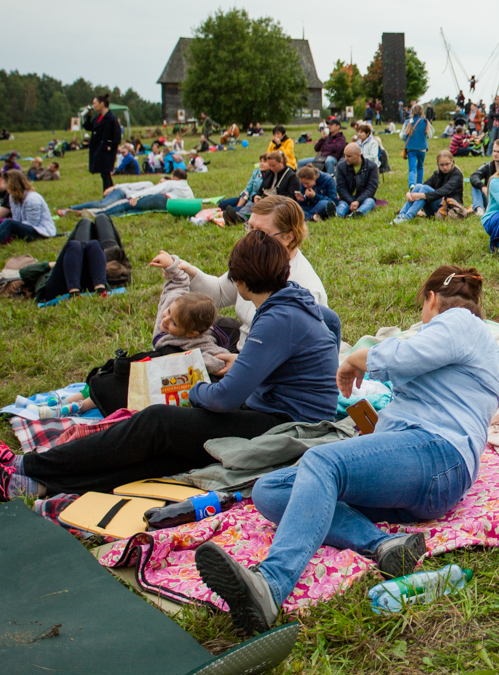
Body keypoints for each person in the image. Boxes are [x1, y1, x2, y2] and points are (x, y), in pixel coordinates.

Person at [194, 265, 499, 636]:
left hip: (437, 455)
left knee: (322, 461)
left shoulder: (460, 322)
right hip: (420, 469)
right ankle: (387, 544)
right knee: (271, 490)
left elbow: (403, 357)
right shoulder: (464, 340)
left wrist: (357, 358)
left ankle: (271, 584)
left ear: (432, 299)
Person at [1, 231, 341, 502]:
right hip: (294, 415)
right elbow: (333, 323)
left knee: (157, 421)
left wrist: (195, 388)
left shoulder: (277, 318)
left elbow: (222, 398)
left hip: (286, 426)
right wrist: (254, 365)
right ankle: (43, 484)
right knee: (171, 454)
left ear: (240, 280)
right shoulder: (297, 300)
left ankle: (29, 465)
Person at [179, 196, 327, 351]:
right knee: (185, 322)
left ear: (288, 238)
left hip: (265, 363)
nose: (250, 237)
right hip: (246, 344)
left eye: (261, 233)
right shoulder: (255, 259)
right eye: (249, 228)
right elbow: (220, 293)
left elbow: (290, 355)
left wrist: (236, 363)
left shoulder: (304, 290)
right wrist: (187, 271)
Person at [146, 252, 226, 375]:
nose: (165, 320)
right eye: (168, 312)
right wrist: (170, 264)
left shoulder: (197, 341)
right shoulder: (172, 301)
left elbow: (221, 358)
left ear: (191, 333)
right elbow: (179, 280)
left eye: (174, 323)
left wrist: (189, 363)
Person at [394, 150, 465, 222]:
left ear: (452, 162)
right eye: (442, 165)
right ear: (438, 164)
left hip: (450, 209)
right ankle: (401, 215)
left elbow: (444, 191)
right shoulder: (437, 174)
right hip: (436, 209)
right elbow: (424, 185)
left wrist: (421, 196)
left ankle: (408, 217)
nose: (445, 167)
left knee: (425, 189)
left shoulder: (457, 175)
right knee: (419, 186)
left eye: (447, 164)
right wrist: (409, 194)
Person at [0, 171, 55, 244]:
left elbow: (32, 223)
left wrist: (15, 226)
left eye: (6, 183)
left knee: (8, 223)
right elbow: (16, 218)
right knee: (8, 223)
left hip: (40, 231)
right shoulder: (12, 197)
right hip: (26, 227)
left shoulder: (32, 199)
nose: (5, 186)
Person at [84, 93, 121, 191]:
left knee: (105, 173)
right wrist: (88, 116)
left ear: (101, 103)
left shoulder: (111, 118)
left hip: (106, 150)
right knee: (104, 174)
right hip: (98, 149)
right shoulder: (98, 117)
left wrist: (110, 146)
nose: (94, 106)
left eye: (95, 103)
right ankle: (111, 192)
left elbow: (117, 135)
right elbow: (89, 127)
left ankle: (108, 193)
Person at [334, 142, 379, 218]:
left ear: (358, 155)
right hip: (346, 199)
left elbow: (371, 188)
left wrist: (358, 201)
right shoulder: (341, 166)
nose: (345, 158)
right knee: (341, 207)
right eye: (345, 155)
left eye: (349, 156)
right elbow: (341, 187)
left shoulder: (371, 167)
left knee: (370, 202)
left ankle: (355, 214)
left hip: (364, 199)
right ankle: (338, 214)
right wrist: (351, 202)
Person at [468, 138, 499, 215]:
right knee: (476, 185)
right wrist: (483, 187)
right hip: (489, 198)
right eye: (494, 151)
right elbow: (474, 176)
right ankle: (479, 209)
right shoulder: (488, 165)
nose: (495, 154)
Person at [403, 106, 432, 188]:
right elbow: (429, 135)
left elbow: (402, 135)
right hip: (422, 148)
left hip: (411, 148)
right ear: (422, 111)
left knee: (412, 168)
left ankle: (412, 184)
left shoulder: (407, 122)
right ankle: (419, 185)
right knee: (420, 166)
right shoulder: (426, 122)